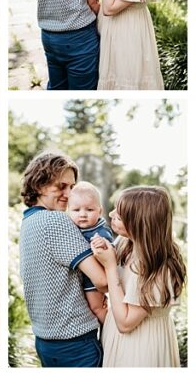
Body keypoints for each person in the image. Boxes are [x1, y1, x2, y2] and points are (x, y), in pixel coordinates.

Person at [17, 150, 108, 367]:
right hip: (75, 343)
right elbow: (102, 280)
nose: (68, 194)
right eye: (61, 186)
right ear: (39, 185)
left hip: (45, 342)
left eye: (72, 187)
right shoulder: (57, 222)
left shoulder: (28, 223)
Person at [91, 186, 185, 367]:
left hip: (141, 345)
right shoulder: (125, 242)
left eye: (119, 216)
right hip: (116, 337)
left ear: (140, 224)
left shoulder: (158, 267)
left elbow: (126, 324)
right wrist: (104, 254)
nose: (110, 214)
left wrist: (110, 266)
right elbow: (110, 286)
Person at [66, 182, 115, 323]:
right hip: (81, 278)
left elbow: (112, 254)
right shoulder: (70, 227)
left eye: (89, 210)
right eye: (76, 210)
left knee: (96, 308)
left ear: (99, 211)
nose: (82, 214)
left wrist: (104, 245)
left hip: (93, 279)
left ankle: (111, 332)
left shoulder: (99, 232)